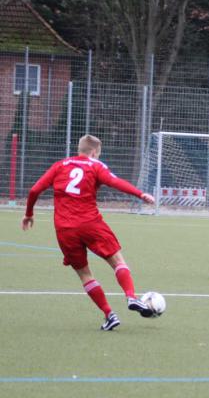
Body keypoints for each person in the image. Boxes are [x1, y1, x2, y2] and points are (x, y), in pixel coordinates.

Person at [22, 134, 156, 331]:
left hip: (65, 229)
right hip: (90, 223)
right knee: (118, 262)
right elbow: (115, 182)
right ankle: (131, 297)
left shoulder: (60, 165)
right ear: (94, 152)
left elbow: (34, 190)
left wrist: (29, 214)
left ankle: (109, 314)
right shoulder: (96, 166)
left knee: (85, 274)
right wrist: (140, 194)